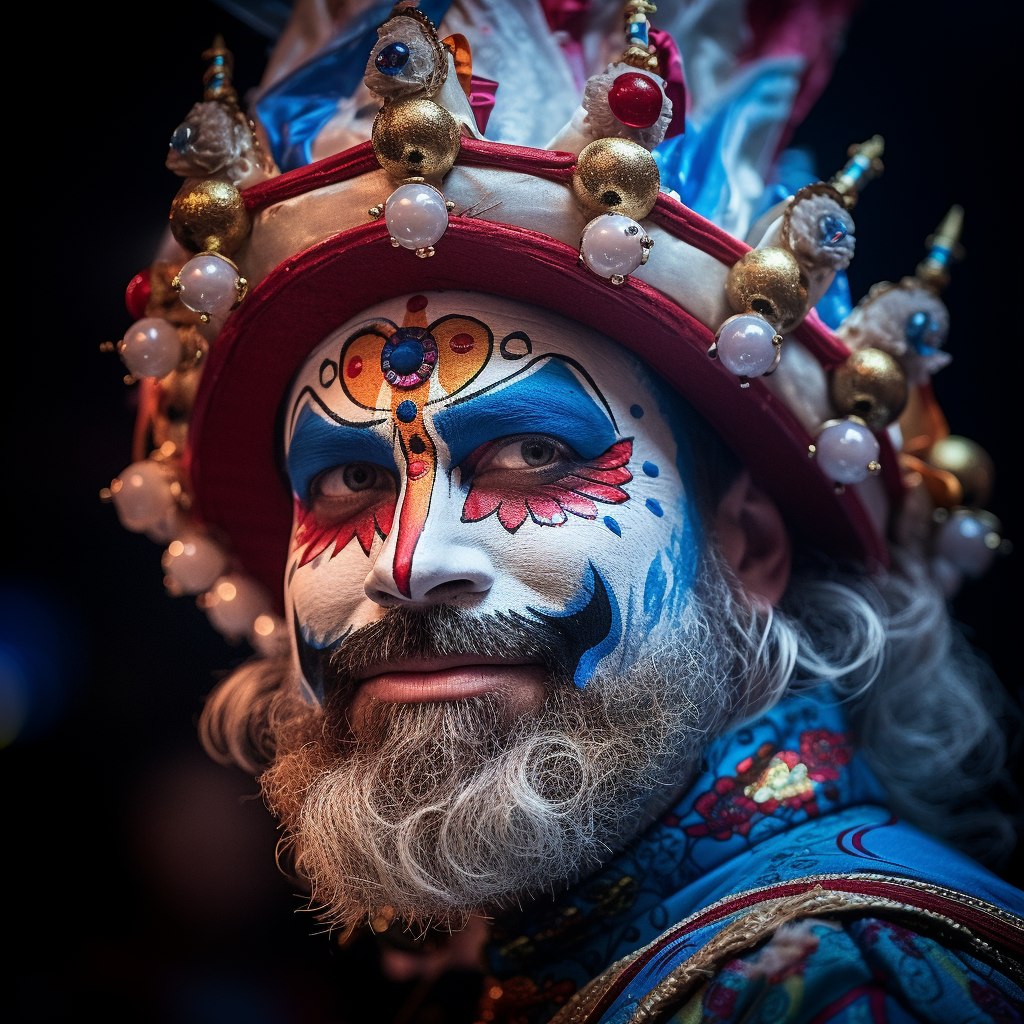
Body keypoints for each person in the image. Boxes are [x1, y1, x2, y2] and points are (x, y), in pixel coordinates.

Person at [101, 1, 1023, 1021]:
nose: (408, 564)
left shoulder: (827, 992)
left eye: (532, 457)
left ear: (748, 549)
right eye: (348, 483)